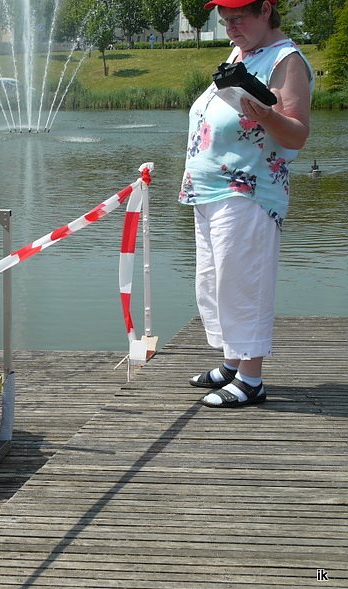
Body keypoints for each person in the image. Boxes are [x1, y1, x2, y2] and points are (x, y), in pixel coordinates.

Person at [179, 0, 314, 408]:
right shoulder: (242, 51)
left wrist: (265, 115)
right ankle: (233, 363)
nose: (231, 27)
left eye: (239, 18)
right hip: (210, 190)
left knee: (243, 283)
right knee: (214, 284)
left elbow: (296, 136)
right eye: (226, 21)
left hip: (247, 191)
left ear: (266, 10)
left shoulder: (286, 59)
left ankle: (252, 379)